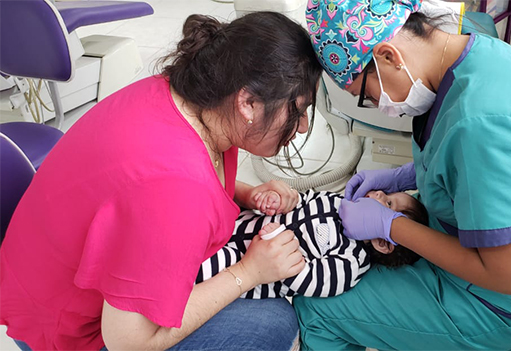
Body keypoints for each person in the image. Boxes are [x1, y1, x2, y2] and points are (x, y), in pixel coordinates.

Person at [0, 13, 322, 351]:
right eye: (297, 110)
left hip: (38, 278)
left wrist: (246, 193)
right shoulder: (178, 189)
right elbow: (129, 341)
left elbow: (160, 179)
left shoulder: (191, 99)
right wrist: (248, 273)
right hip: (68, 332)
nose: (301, 126)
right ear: (248, 103)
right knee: (274, 322)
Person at [294, 0, 511, 350]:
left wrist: (391, 226)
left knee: (317, 305)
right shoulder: (479, 54)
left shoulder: (482, 125)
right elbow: (473, 170)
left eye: (367, 94)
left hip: (500, 302)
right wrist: (404, 177)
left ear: (388, 56)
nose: (380, 105)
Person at [196, 189, 428, 299]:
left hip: (241, 263)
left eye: (387, 202)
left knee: (199, 266)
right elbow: (305, 198)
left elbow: (306, 279)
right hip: (242, 221)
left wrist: (275, 240)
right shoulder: (340, 202)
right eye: (387, 192)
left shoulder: (350, 263)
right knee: (203, 216)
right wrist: (285, 199)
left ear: (382, 243)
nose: (377, 193)